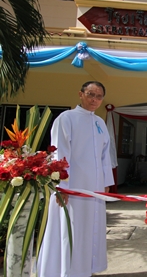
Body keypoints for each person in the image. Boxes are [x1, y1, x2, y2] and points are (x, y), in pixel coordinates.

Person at [37, 81, 115, 276]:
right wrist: (62, 187)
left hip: (94, 188)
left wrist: (106, 183)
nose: (94, 100)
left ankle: (84, 269)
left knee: (90, 229)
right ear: (80, 94)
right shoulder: (66, 118)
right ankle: (65, 270)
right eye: (91, 94)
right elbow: (60, 154)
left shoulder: (99, 123)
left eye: (99, 96)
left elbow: (105, 155)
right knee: (71, 228)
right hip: (73, 187)